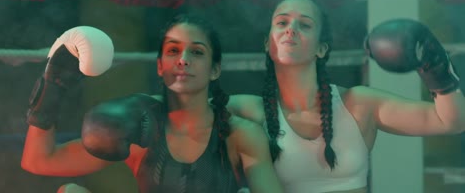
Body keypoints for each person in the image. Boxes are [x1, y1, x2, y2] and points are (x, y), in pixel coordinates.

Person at [226, 0, 465, 193]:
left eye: (305, 25)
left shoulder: (358, 104)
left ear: (321, 49)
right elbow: (191, 114)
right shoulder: (247, 111)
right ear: (268, 43)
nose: (291, 30)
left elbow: (451, 121)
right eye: (281, 23)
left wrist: (436, 67)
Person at [21, 14, 283, 193]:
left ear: (215, 70)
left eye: (197, 52)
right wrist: (53, 87)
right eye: (173, 50)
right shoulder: (141, 126)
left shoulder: (239, 134)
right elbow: (40, 161)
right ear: (160, 66)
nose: (183, 60)